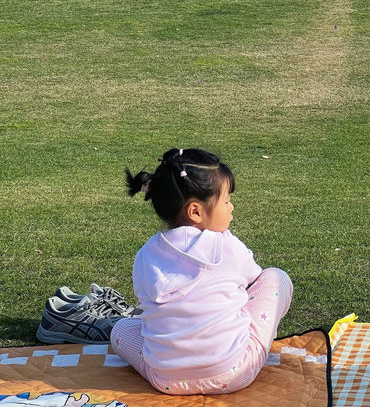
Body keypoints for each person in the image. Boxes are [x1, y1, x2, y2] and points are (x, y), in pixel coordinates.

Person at [111, 147, 293, 396]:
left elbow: (147, 305)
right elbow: (255, 281)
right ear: (195, 211)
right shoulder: (226, 245)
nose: (231, 208)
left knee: (120, 329)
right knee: (276, 278)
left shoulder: (145, 254)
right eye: (226, 201)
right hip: (233, 372)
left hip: (165, 379)